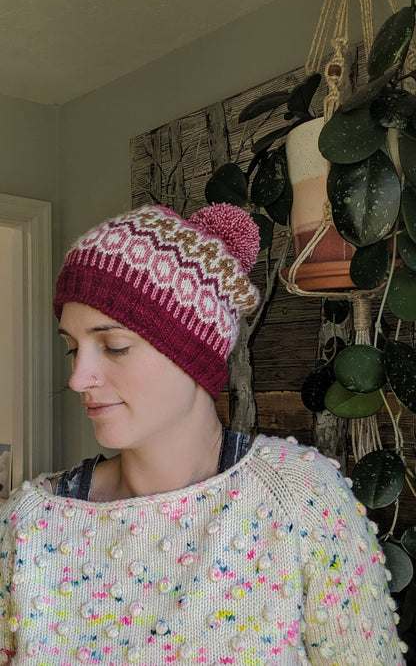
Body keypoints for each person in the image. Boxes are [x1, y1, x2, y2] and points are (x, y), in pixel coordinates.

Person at [0, 203, 406, 665]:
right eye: (73, 349)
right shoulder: (29, 525)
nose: (78, 378)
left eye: (114, 346)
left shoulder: (297, 496)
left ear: (194, 351)